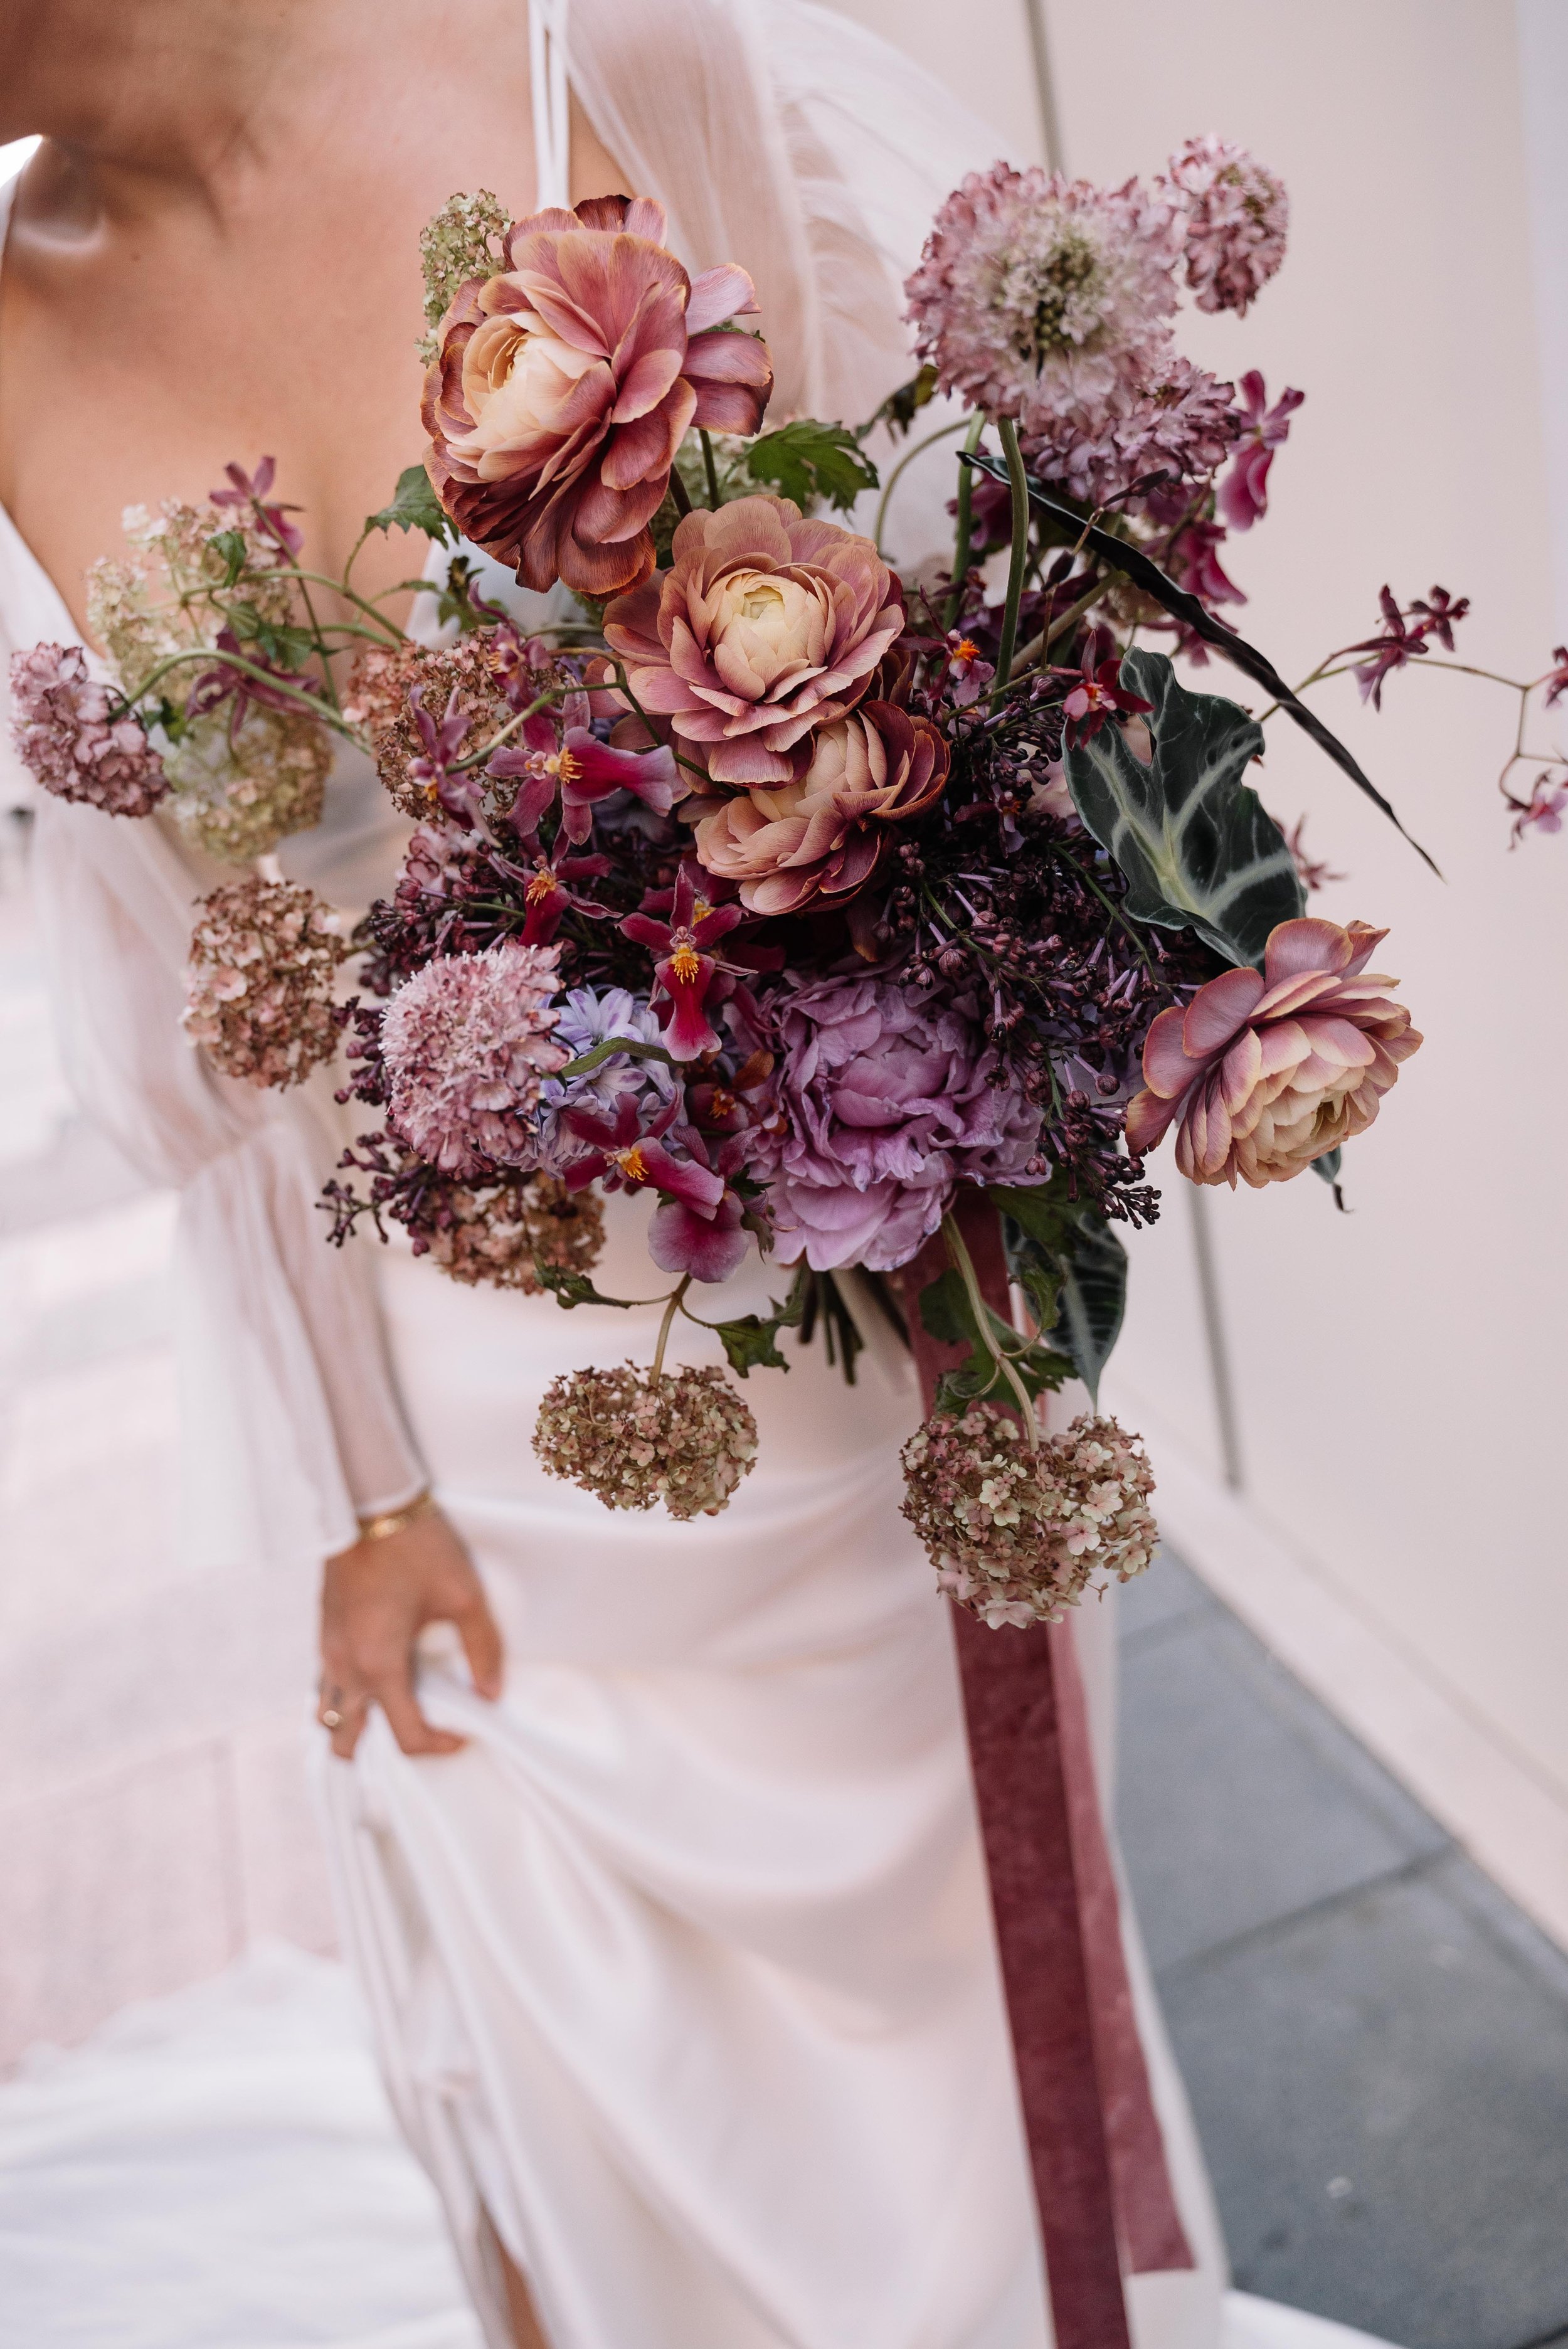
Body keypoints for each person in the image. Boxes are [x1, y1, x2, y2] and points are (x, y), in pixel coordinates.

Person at [0, 8, 1363, 2347]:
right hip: (493, 1395)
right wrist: (359, 1493)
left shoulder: (579, 53)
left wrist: (1098, 1024)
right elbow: (213, 1018)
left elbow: (996, 596)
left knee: (949, 2016)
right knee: (594, 2067)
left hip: (869, 1315)